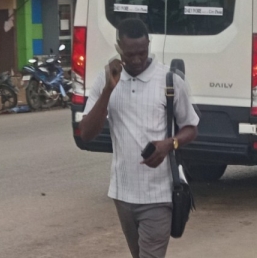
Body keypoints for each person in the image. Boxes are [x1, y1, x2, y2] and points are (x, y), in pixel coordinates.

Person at [80, 19, 199, 258]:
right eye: (129, 54)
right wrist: (108, 90)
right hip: (122, 193)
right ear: (118, 48)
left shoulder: (170, 80)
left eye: (142, 53)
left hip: (158, 194)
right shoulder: (106, 81)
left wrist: (170, 143)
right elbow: (86, 133)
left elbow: (191, 127)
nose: (136, 59)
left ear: (149, 45)